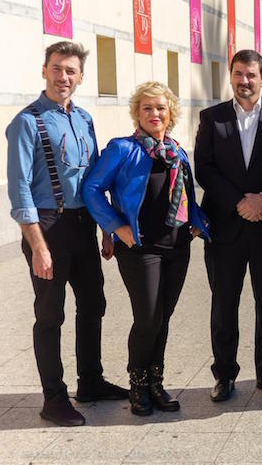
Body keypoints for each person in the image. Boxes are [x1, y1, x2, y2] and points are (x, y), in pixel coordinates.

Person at [5, 41, 127, 427]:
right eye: (57, 69)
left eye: (71, 71)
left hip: (83, 225)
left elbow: (94, 178)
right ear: (45, 71)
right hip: (48, 227)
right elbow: (19, 188)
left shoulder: (85, 118)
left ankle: (90, 381)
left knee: (94, 304)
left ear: (80, 77)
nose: (63, 77)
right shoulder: (27, 121)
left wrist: (106, 226)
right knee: (50, 313)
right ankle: (53, 398)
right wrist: (37, 246)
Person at [82, 81, 210, 416]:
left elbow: (184, 195)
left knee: (163, 317)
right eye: (147, 108)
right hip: (140, 246)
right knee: (148, 317)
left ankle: (156, 382)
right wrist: (115, 226)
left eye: (161, 108)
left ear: (171, 114)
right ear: (137, 113)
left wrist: (198, 220)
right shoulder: (122, 149)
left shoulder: (177, 151)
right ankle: (137, 384)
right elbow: (93, 188)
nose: (155, 114)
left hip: (178, 245)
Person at [194, 49, 262, 402]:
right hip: (225, 227)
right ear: (231, 77)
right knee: (224, 305)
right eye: (238, 74)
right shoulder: (212, 118)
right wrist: (239, 202)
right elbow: (204, 168)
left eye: (251, 75)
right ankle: (224, 376)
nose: (244, 81)